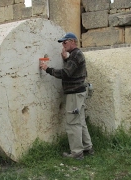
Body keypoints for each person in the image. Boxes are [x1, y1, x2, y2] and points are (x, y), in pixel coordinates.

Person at [40, 32, 94, 160]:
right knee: (80, 121)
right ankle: (88, 147)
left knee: (72, 123)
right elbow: (73, 69)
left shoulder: (76, 54)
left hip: (75, 94)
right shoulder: (75, 55)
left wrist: (47, 69)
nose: (63, 46)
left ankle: (77, 153)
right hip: (78, 93)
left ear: (72, 41)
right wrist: (65, 59)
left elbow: (66, 73)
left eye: (65, 42)